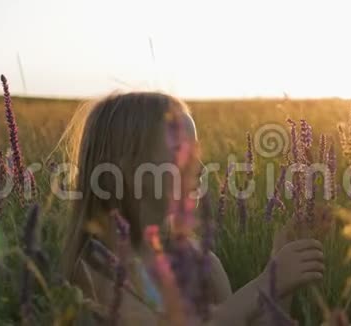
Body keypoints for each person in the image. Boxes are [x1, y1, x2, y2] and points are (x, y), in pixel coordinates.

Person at [59, 92, 325, 325]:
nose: (198, 165)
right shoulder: (96, 270)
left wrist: (282, 278)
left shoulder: (204, 265)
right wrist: (267, 284)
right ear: (128, 170)